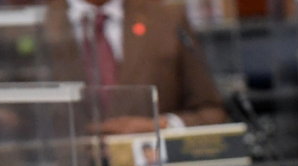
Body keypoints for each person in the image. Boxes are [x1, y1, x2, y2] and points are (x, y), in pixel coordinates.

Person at [46, 0, 228, 134]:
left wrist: (160, 126)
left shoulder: (167, 18)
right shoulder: (34, 23)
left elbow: (213, 113)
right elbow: (19, 122)